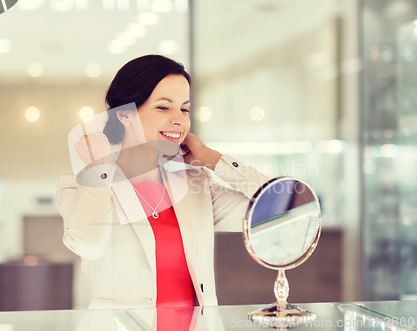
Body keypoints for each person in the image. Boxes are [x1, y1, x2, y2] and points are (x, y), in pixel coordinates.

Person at [56, 55, 271, 314]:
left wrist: (214, 160)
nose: (179, 119)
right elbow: (88, 245)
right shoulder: (82, 185)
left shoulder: (197, 184)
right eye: (163, 107)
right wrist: (96, 170)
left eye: (184, 108)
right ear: (124, 114)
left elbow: (278, 210)